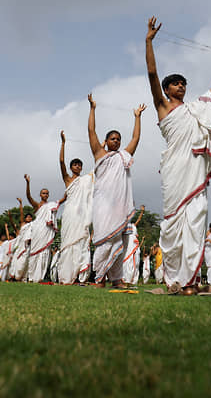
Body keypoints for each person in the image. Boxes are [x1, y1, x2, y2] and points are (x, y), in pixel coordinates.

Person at [145, 16, 211, 294]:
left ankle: (191, 282)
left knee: (196, 221)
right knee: (173, 227)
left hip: (195, 174)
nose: (181, 86)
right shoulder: (163, 108)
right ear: (167, 89)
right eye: (176, 84)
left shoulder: (196, 109)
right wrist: (149, 42)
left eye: (184, 83)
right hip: (174, 172)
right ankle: (175, 279)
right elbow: (151, 74)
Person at [87, 93, 144, 288]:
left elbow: (136, 137)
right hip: (103, 206)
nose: (117, 142)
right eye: (113, 139)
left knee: (119, 244)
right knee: (104, 241)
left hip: (119, 208)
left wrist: (137, 117)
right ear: (106, 141)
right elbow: (91, 130)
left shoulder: (123, 156)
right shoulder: (100, 154)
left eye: (119, 139)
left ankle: (116, 279)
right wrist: (92, 109)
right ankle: (99, 278)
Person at [57, 131, 94, 284]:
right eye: (75, 164)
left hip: (81, 214)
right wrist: (63, 143)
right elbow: (61, 162)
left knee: (80, 242)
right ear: (72, 167)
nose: (77, 166)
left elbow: (97, 168)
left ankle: (79, 276)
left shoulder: (86, 180)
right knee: (67, 243)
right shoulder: (67, 179)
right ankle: (66, 276)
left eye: (79, 165)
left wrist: (103, 146)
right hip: (70, 213)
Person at [24, 174, 64, 283]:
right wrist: (28, 183)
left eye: (47, 193)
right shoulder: (37, 206)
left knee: (45, 253)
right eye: (43, 193)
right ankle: (31, 277)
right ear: (40, 195)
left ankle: (40, 277)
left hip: (46, 232)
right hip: (38, 230)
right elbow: (28, 197)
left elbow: (62, 200)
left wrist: (70, 188)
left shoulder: (51, 205)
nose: (45, 195)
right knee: (34, 252)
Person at [10, 198, 32, 282]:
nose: (29, 218)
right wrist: (21, 203)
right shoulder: (23, 224)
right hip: (21, 246)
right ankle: (16, 277)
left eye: (30, 217)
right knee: (19, 262)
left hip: (29, 246)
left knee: (26, 262)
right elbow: (21, 214)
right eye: (28, 217)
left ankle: (24, 277)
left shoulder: (32, 225)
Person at [122, 206, 144, 285]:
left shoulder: (133, 226)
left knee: (136, 262)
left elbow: (138, 220)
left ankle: (133, 280)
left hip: (134, 246)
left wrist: (142, 212)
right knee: (127, 261)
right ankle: (126, 279)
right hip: (127, 246)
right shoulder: (123, 226)